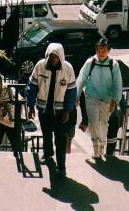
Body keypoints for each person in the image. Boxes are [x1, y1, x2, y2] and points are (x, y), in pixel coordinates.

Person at [26, 43, 76, 177]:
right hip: (44, 109)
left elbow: (71, 92)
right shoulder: (40, 66)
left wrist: (67, 110)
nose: (54, 58)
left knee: (60, 139)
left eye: (56, 56)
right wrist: (30, 106)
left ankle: (61, 166)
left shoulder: (68, 68)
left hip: (60, 111)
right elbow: (32, 87)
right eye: (52, 55)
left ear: (61, 57)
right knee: (46, 134)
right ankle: (48, 154)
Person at [76, 36, 123, 159]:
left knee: (103, 124)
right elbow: (81, 79)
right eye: (98, 50)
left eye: (103, 50)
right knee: (93, 122)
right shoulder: (90, 62)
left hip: (107, 99)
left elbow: (118, 84)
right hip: (91, 97)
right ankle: (95, 146)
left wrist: (115, 101)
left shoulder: (114, 64)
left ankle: (101, 145)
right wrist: (76, 95)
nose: (101, 53)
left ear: (108, 50)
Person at [78, 91, 127, 156]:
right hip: (110, 114)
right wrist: (124, 110)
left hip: (105, 115)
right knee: (109, 138)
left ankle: (102, 151)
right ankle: (104, 152)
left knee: (107, 137)